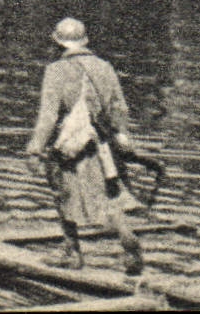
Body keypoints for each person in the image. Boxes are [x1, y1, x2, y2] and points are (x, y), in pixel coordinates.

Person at [24, 17, 145, 276]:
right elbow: (118, 109)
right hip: (101, 143)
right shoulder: (105, 67)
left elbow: (48, 116)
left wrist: (35, 150)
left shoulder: (55, 70)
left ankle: (72, 252)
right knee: (109, 196)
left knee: (63, 192)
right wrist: (123, 137)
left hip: (71, 144)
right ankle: (127, 238)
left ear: (58, 44)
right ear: (84, 41)